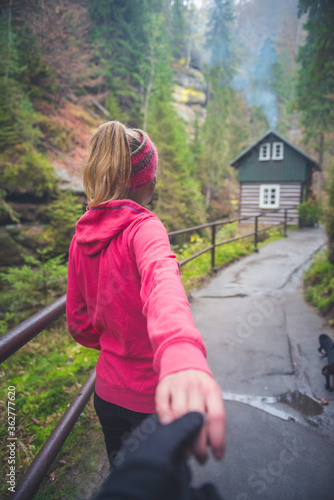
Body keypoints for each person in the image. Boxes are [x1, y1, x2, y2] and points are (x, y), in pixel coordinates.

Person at [66, 121, 225, 467]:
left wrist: (115, 342)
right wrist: (180, 350)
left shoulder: (81, 236)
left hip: (107, 394)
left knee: (125, 482)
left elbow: (78, 323)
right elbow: (162, 282)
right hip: (152, 400)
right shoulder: (145, 227)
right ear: (148, 181)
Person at [94, 412, 223, 500]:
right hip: (144, 401)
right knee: (168, 460)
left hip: (107, 393)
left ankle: (118, 480)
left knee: (119, 460)